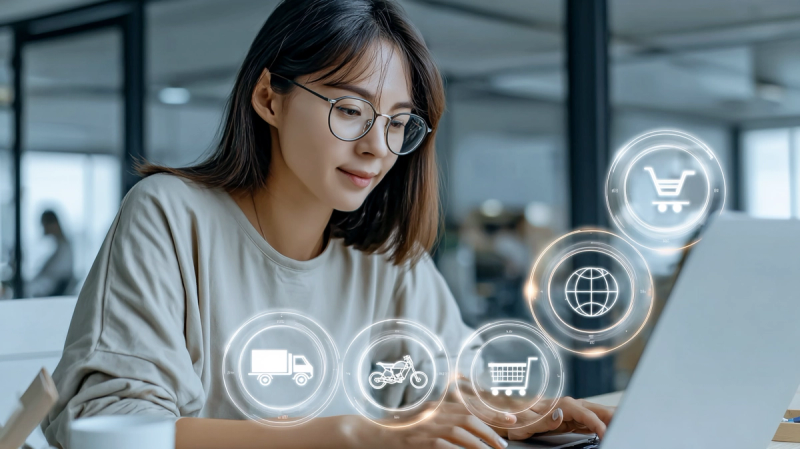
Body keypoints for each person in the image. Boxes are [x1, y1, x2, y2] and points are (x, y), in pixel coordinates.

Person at [42, 1, 612, 448]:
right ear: (269, 97)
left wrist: (533, 414)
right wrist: (351, 433)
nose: (375, 148)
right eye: (349, 110)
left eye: (397, 123)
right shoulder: (169, 215)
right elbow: (111, 430)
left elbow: (444, 385)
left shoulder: (384, 254)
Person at [27, 210, 74, 298]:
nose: (43, 229)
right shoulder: (60, 247)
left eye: (44, 225)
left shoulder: (64, 249)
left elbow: (51, 275)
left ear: (53, 225)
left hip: (50, 293)